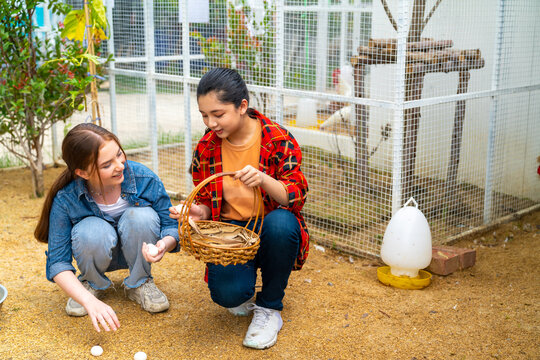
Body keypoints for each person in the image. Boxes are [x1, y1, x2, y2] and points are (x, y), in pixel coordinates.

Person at [168, 67, 309, 349]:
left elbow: (296, 195)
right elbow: (207, 201)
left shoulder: (278, 139)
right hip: (230, 236)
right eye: (204, 115)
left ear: (242, 106)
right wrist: (200, 212)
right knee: (227, 294)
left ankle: (270, 307)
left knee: (282, 223)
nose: (211, 123)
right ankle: (242, 287)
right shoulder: (206, 147)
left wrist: (264, 180)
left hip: (269, 229)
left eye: (218, 114)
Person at [34, 123, 179, 332]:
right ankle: (91, 284)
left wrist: (165, 244)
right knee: (90, 230)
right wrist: (87, 301)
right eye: (107, 164)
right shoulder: (67, 198)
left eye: (119, 154)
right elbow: (57, 263)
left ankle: (140, 282)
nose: (120, 165)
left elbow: (170, 224)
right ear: (83, 172)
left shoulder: (144, 178)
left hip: (138, 250)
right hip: (97, 250)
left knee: (142, 216)